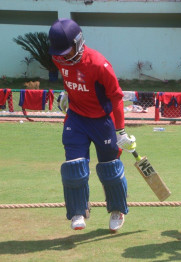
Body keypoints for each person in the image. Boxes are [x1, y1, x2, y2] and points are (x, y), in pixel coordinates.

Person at [48, 18, 136, 232]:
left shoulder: (99, 64)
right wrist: (66, 93)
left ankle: (117, 210)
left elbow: (116, 97)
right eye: (60, 54)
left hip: (102, 121)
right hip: (76, 118)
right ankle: (78, 211)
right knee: (74, 168)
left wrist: (121, 130)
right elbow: (71, 77)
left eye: (68, 52)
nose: (64, 58)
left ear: (79, 43)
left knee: (110, 170)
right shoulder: (59, 57)